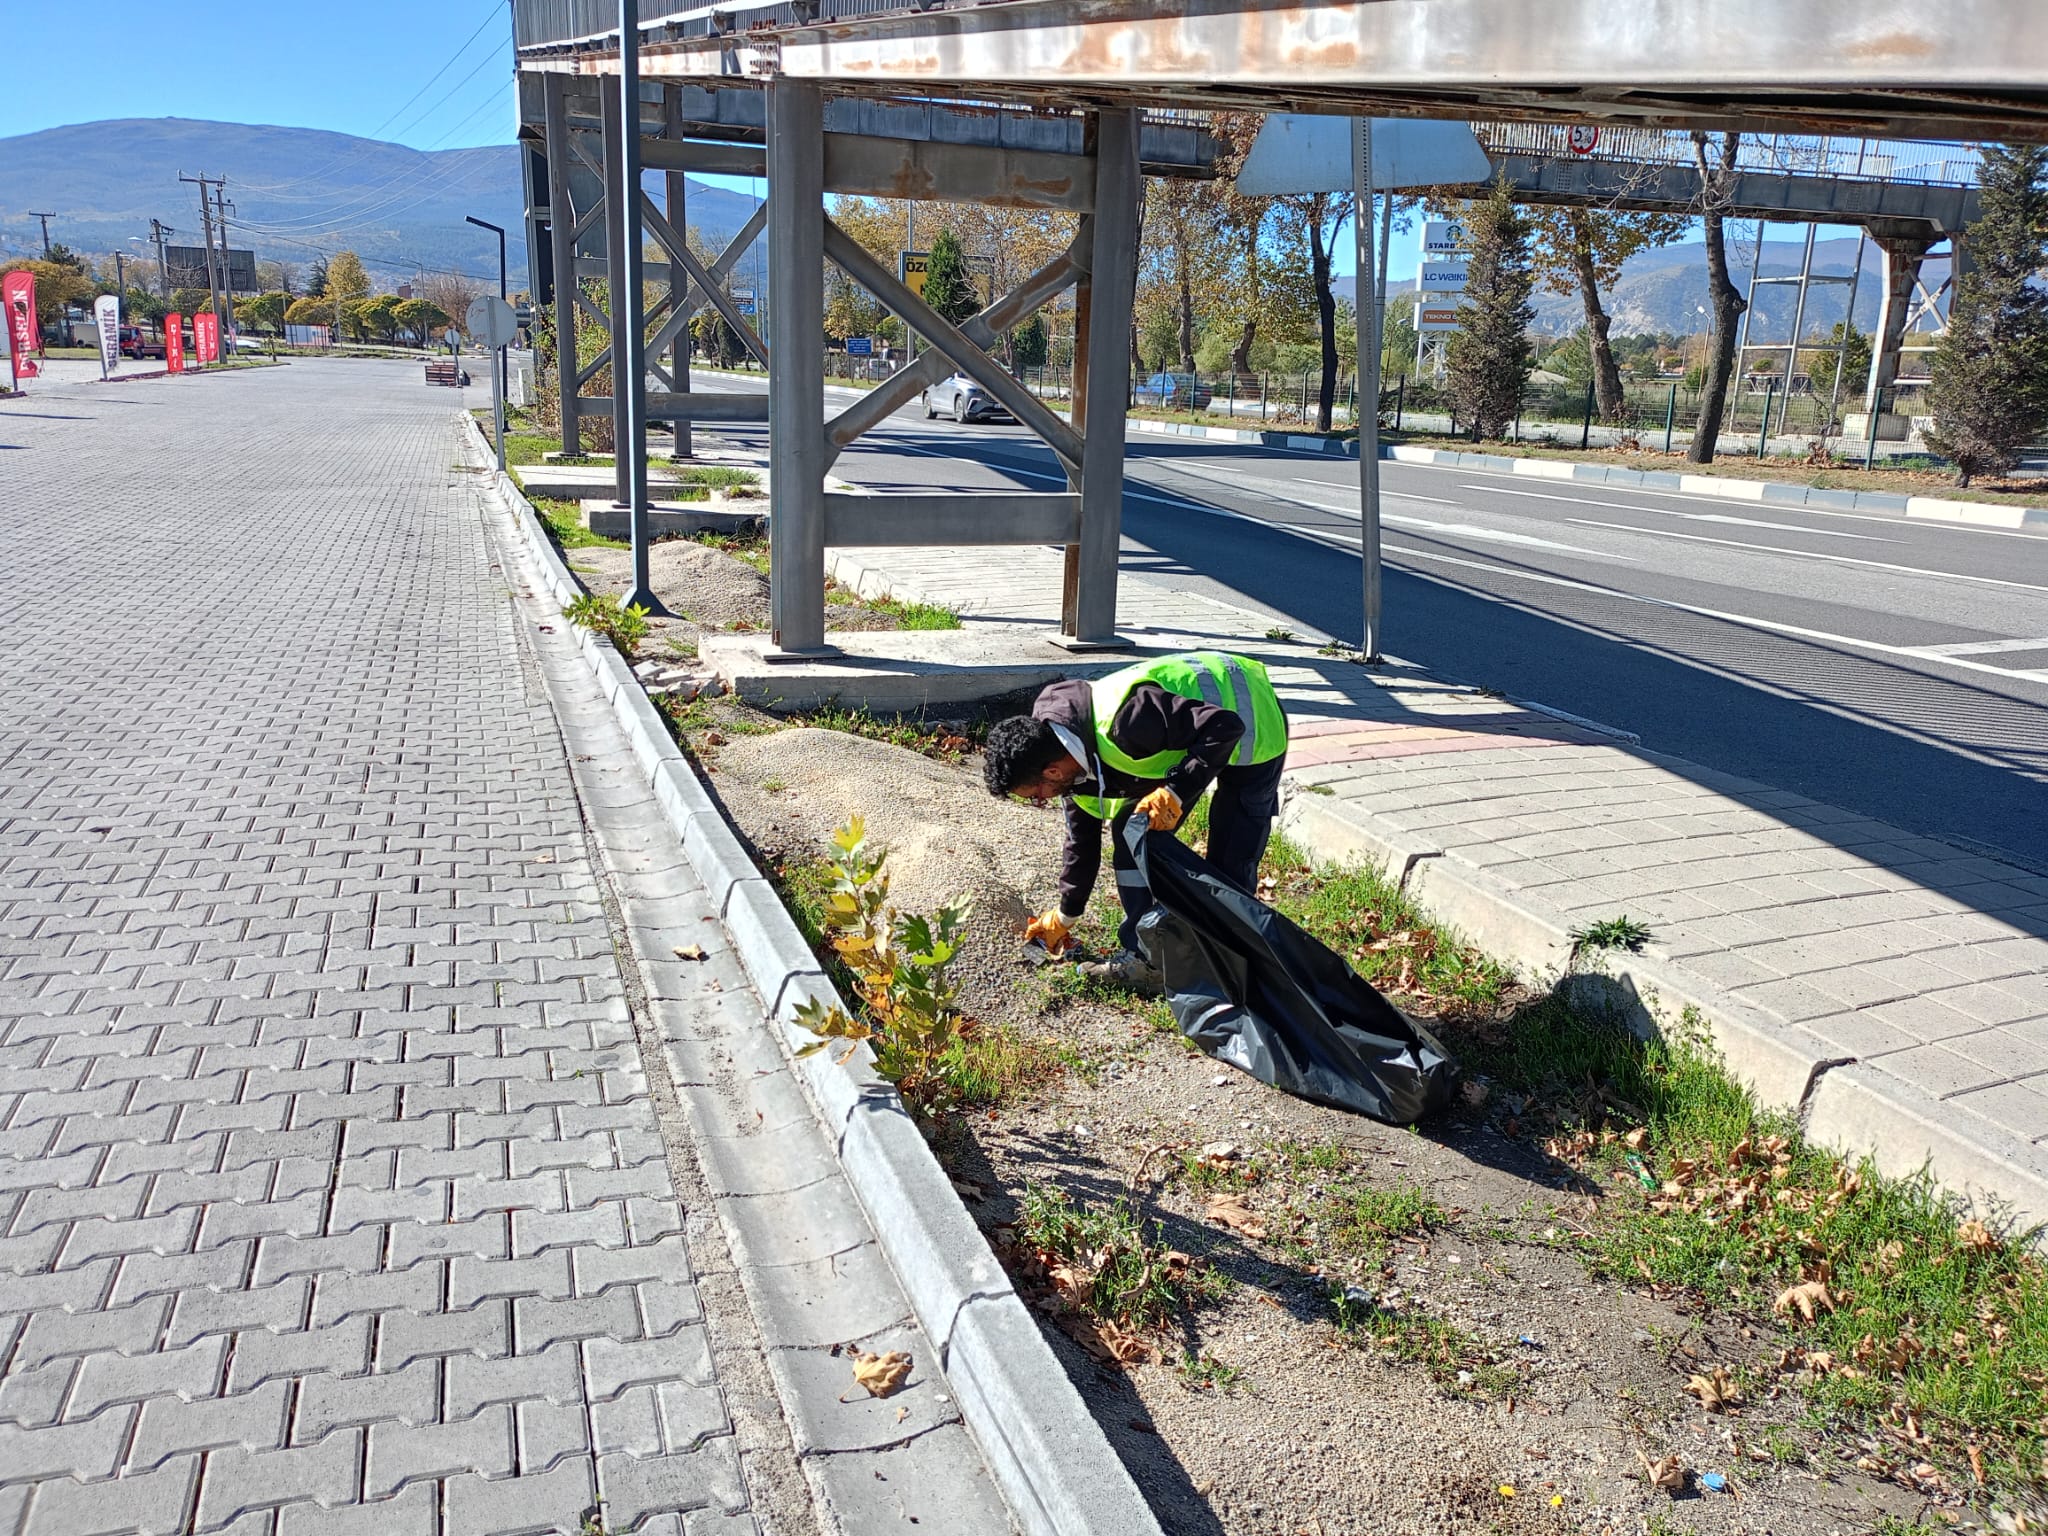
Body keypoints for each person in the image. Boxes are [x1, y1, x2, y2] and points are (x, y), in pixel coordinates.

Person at [982, 650, 1290, 992]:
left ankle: (1233, 962)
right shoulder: (1065, 762)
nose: (1041, 801)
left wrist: (1175, 791)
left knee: (1232, 853)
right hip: (1185, 736)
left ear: (1051, 771)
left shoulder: (1128, 721)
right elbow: (1081, 845)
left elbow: (1226, 727)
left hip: (1251, 719)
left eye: (1036, 794)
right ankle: (1149, 960)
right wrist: (1065, 915)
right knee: (1131, 836)